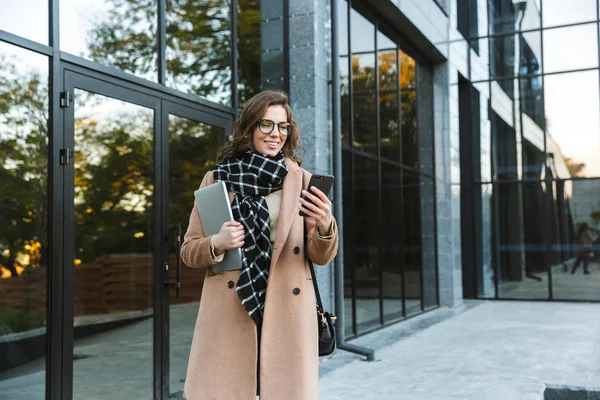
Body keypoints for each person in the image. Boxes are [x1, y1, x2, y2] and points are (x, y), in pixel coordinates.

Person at [180, 90, 339, 400]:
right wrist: (218, 242)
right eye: (266, 124)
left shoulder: (302, 181)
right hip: (231, 308)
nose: (275, 134)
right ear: (249, 127)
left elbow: (320, 257)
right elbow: (189, 250)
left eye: (283, 126)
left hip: (286, 309)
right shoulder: (217, 179)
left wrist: (324, 225)